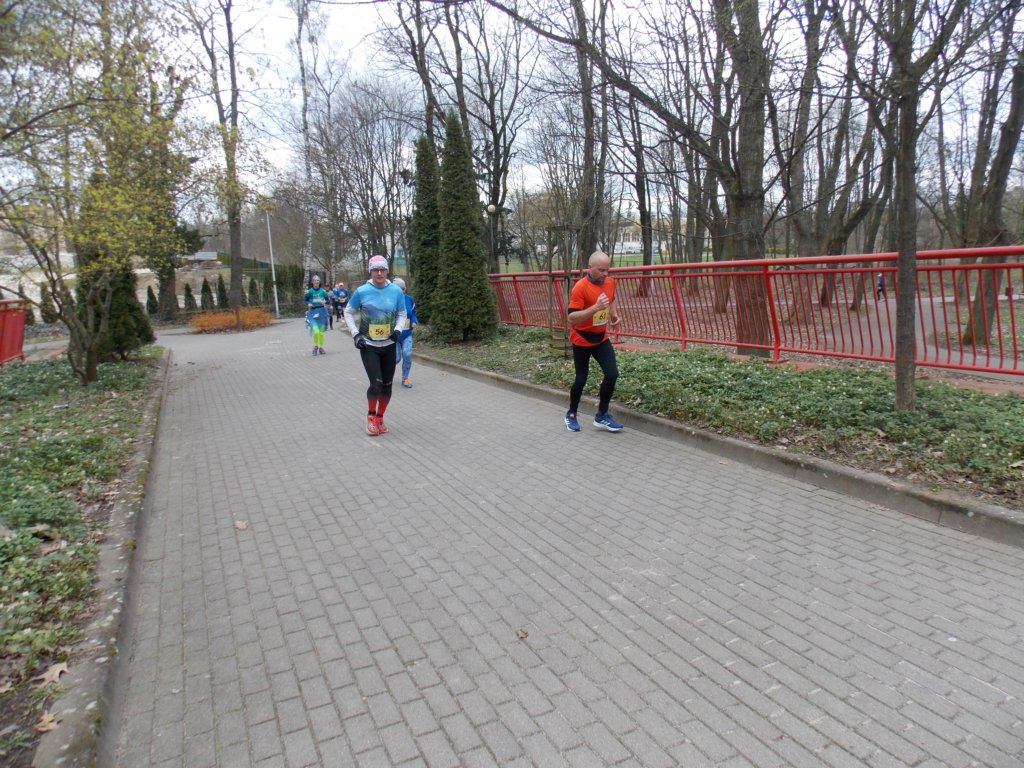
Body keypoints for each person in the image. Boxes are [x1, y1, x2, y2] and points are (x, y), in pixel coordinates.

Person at [344, 256, 407, 436]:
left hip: (389, 345)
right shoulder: (362, 291)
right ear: (370, 272)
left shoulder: (396, 291)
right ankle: (371, 416)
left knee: (387, 385)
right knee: (376, 383)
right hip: (369, 345)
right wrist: (355, 334)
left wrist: (398, 330)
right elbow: (348, 312)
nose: (379, 273)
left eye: (382, 269)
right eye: (375, 270)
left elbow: (402, 313)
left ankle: (380, 417)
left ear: (387, 271)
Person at [564, 251, 623, 432]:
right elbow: (572, 318)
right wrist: (595, 308)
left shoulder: (610, 282)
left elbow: (611, 299)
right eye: (601, 270)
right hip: (582, 338)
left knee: (612, 374)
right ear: (590, 268)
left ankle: (602, 415)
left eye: (607, 270)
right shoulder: (580, 288)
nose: (605, 274)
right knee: (581, 379)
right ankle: (571, 414)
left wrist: (614, 315)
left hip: (601, 338)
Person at [392, 278, 418, 388]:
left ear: (405, 289)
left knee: (407, 354)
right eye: (398, 290)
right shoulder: (390, 300)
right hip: (394, 336)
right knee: (396, 358)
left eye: (403, 289)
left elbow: (413, 313)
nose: (401, 291)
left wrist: (414, 321)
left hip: (407, 334)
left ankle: (405, 378)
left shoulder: (409, 299)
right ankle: (385, 375)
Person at [304, 275, 330, 355]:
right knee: (315, 331)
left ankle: (321, 348)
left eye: (317, 280)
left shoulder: (323, 291)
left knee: (321, 332)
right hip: (312, 312)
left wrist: (324, 302)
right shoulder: (309, 291)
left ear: (319, 282)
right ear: (312, 282)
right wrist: (308, 304)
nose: (316, 282)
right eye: (314, 280)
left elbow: (328, 301)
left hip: (322, 312)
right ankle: (315, 346)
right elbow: (305, 300)